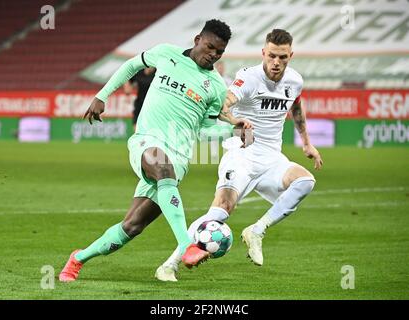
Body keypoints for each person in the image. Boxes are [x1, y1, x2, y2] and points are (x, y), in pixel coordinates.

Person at [58, 19, 253, 282]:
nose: (213, 55)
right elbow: (131, 65)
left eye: (219, 52)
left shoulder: (216, 87)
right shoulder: (166, 53)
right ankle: (186, 246)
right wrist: (102, 95)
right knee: (162, 167)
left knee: (131, 227)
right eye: (210, 47)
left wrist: (233, 131)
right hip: (146, 142)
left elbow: (205, 130)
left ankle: (77, 259)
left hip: (179, 158)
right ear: (197, 39)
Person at [155, 29, 323, 282]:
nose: (276, 63)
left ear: (291, 55)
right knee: (222, 209)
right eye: (272, 56)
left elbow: (296, 104)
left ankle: (257, 230)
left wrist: (307, 143)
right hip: (241, 153)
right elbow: (224, 105)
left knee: (305, 181)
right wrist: (235, 120)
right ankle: (170, 265)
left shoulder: (295, 81)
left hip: (272, 159)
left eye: (283, 58)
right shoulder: (248, 78)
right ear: (264, 53)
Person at [123, 67, 156, 131]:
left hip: (153, 106)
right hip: (140, 104)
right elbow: (127, 81)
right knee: (136, 129)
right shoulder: (139, 72)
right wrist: (127, 87)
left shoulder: (158, 73)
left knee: (151, 130)